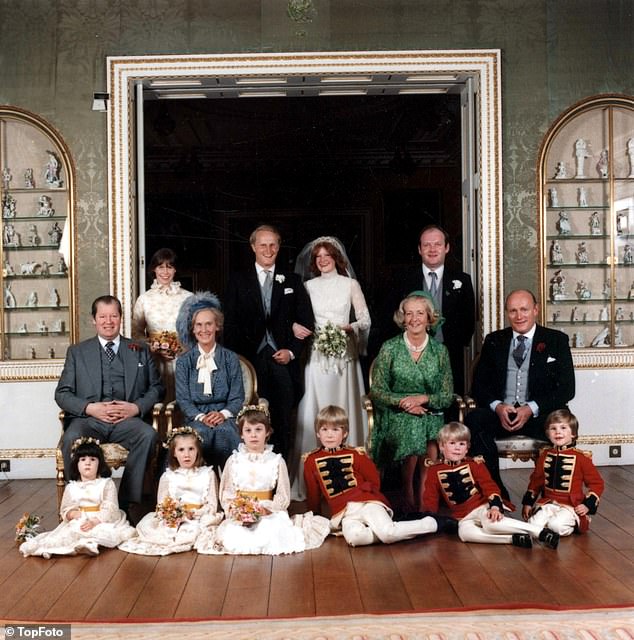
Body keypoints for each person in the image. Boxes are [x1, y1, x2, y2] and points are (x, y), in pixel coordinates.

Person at [55, 295, 164, 516]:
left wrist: (135, 408)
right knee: (69, 438)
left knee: (148, 435)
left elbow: (157, 388)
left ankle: (124, 503)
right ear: (93, 320)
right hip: (89, 421)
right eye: (102, 316)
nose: (108, 321)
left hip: (128, 421)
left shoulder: (139, 349)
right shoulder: (77, 352)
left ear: (120, 318)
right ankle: (75, 501)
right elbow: (62, 394)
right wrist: (90, 408)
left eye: (113, 316)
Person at [465, 289, 575, 499]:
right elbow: (479, 385)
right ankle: (496, 492)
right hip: (502, 414)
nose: (519, 316)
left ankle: (551, 496)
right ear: (507, 313)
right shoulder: (494, 340)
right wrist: (498, 406)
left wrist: (530, 408)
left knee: (561, 427)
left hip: (539, 415)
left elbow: (567, 389)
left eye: (524, 309)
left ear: (536, 310)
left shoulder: (556, 340)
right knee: (474, 421)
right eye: (513, 310)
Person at [303, 405, 455, 547]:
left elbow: (374, 480)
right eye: (324, 429)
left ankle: (433, 523)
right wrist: (315, 517)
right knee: (355, 538)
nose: (329, 435)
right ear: (318, 433)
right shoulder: (310, 460)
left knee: (388, 534)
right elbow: (313, 493)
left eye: (335, 430)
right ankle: (390, 528)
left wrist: (364, 493)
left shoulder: (356, 454)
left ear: (345, 433)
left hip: (367, 502)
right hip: (343, 513)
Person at [224, 225, 314, 459]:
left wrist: (292, 352)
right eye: (263, 244)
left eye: (273, 244)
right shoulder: (237, 280)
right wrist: (239, 360)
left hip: (281, 359)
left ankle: (280, 470)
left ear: (279, 246)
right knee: (251, 419)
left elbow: (306, 324)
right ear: (253, 247)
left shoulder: (292, 280)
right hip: (250, 360)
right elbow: (230, 324)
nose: (268, 249)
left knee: (283, 418)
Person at [291, 236, 371, 499]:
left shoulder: (350, 284)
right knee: (317, 405)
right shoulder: (308, 286)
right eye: (318, 257)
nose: (323, 260)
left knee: (344, 404)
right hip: (318, 355)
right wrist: (297, 328)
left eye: (327, 255)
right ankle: (313, 477)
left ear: (337, 258)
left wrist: (349, 328)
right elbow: (297, 318)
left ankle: (350, 475)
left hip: (344, 355)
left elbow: (365, 319)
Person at [198, 403, 329, 555]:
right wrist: (237, 511)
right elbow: (227, 493)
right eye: (248, 430)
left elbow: (283, 495)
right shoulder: (233, 461)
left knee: (269, 532)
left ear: (267, 432)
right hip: (241, 512)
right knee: (235, 536)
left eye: (258, 430)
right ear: (241, 434)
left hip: (267, 511)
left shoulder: (276, 461)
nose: (253, 435)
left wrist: (268, 509)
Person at [370, 291, 454, 511]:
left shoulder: (440, 351)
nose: (414, 318)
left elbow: (446, 395)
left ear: (429, 318)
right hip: (395, 413)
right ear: (402, 318)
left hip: (430, 412)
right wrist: (404, 402)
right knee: (415, 425)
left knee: (426, 428)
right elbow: (377, 390)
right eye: (409, 314)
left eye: (420, 313)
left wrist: (423, 399)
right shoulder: (390, 348)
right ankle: (409, 490)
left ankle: (424, 491)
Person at [422, 422, 559, 549]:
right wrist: (429, 517)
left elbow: (490, 486)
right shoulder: (434, 470)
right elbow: (430, 496)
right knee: (465, 534)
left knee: (489, 524)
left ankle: (540, 532)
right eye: (452, 443)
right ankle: (513, 539)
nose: (457, 448)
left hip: (481, 506)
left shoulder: (475, 464)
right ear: (441, 446)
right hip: (462, 516)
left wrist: (494, 506)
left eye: (462, 444)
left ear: (467, 447)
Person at [386, 225, 475, 394]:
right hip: (410, 356)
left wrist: (448, 349)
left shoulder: (462, 280)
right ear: (419, 249)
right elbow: (393, 318)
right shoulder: (402, 279)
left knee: (447, 406)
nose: (432, 249)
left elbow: (468, 323)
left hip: (449, 357)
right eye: (427, 245)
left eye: (437, 244)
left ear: (446, 248)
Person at [20, 438, 135, 557]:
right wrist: (72, 514)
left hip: (100, 519)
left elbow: (110, 507)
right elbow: (65, 508)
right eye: (83, 459)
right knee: (71, 533)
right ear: (77, 464)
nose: (88, 463)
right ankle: (61, 548)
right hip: (80, 519)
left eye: (92, 459)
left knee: (104, 532)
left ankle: (90, 544)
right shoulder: (72, 487)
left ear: (99, 464)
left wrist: (95, 521)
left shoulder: (106, 484)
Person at [119, 427, 222, 556]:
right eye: (181, 450)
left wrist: (195, 513)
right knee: (159, 531)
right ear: (174, 453)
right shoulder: (168, 476)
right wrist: (174, 515)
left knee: (196, 531)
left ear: (198, 451)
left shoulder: (208, 474)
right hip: (175, 517)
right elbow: (162, 504)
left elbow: (212, 505)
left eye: (191, 449)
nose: (186, 455)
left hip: (197, 516)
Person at [174, 292, 244, 469]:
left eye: (208, 324)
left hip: (225, 416)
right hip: (195, 417)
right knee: (198, 434)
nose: (203, 330)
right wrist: (201, 416)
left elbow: (237, 397)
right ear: (192, 328)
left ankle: (229, 488)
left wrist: (223, 414)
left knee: (225, 433)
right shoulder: (184, 361)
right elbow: (183, 399)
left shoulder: (230, 358)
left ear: (217, 326)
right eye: (198, 325)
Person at [522, 409, 604, 536]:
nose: (558, 432)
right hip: (548, 502)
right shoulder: (544, 455)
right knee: (532, 525)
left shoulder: (582, 458)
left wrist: (587, 505)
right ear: (548, 434)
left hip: (571, 505)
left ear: (573, 434)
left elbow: (597, 484)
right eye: (553, 428)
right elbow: (536, 482)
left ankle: (577, 522)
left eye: (563, 428)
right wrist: (528, 503)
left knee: (557, 526)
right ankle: (548, 525)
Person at [132, 248, 193, 401]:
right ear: (154, 269)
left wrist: (182, 348)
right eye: (160, 266)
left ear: (175, 270)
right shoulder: (144, 299)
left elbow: (197, 331)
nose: (165, 272)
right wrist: (154, 347)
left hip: (183, 359)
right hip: (154, 361)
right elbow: (136, 333)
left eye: (170, 266)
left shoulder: (189, 298)